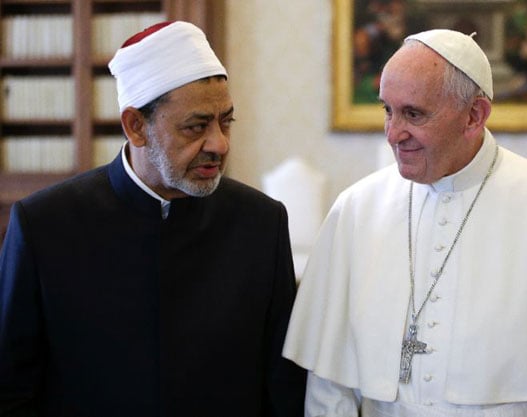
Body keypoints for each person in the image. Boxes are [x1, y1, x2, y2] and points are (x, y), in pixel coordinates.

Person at [283, 29, 527, 416]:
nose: (393, 133)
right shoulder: (355, 210)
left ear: (474, 115)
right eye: (387, 109)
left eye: (413, 114)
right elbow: (329, 386)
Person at [0, 21, 306, 416]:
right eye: (196, 126)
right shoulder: (44, 226)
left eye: (225, 121)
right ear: (136, 126)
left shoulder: (261, 223)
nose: (219, 143)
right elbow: (10, 390)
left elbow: (283, 389)